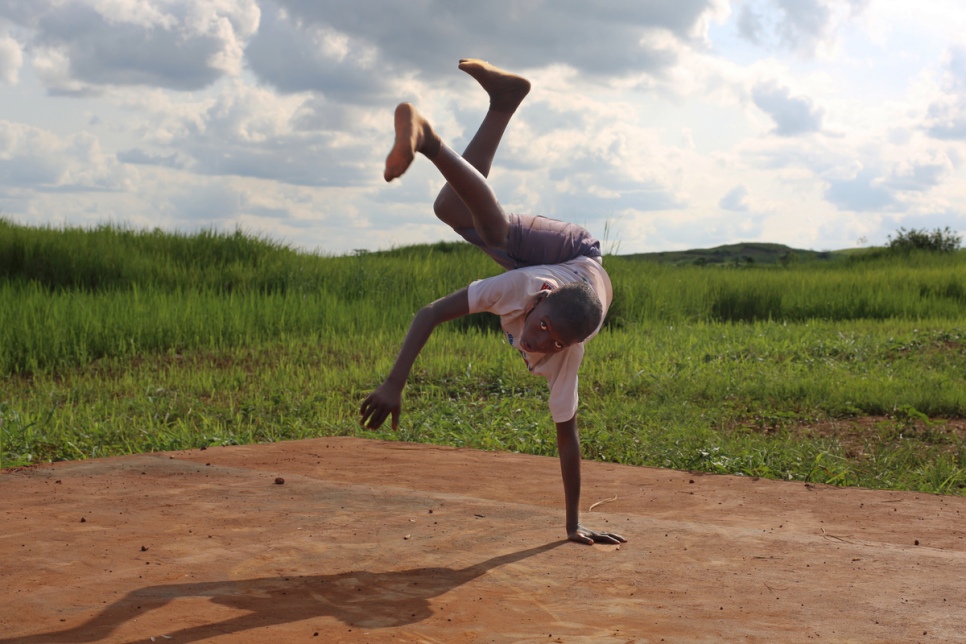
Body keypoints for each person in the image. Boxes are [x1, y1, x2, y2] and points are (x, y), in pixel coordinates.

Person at [360, 59, 625, 546]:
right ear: (540, 300)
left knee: (448, 209)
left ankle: (504, 102)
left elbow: (568, 434)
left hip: (580, 286)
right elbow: (431, 313)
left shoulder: (566, 352)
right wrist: (394, 382)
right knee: (494, 228)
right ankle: (428, 139)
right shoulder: (520, 289)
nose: (535, 338)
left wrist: (572, 525)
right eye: (542, 326)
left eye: (552, 340)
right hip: (575, 253)